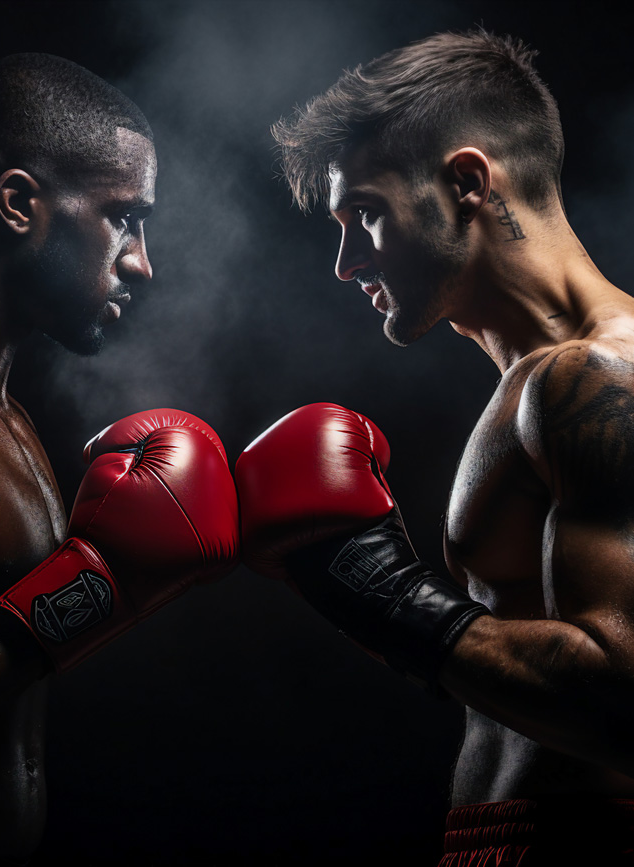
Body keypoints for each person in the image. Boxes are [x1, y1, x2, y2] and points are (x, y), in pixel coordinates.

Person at [236, 30, 634, 864]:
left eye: (366, 214)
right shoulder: (540, 383)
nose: (345, 264)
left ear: (466, 182)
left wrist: (380, 594)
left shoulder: (593, 381)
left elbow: (622, 696)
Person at [0, 53, 239, 864]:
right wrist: (88, 591)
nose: (142, 261)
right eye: (123, 217)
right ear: (19, 203)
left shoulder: (4, 414)